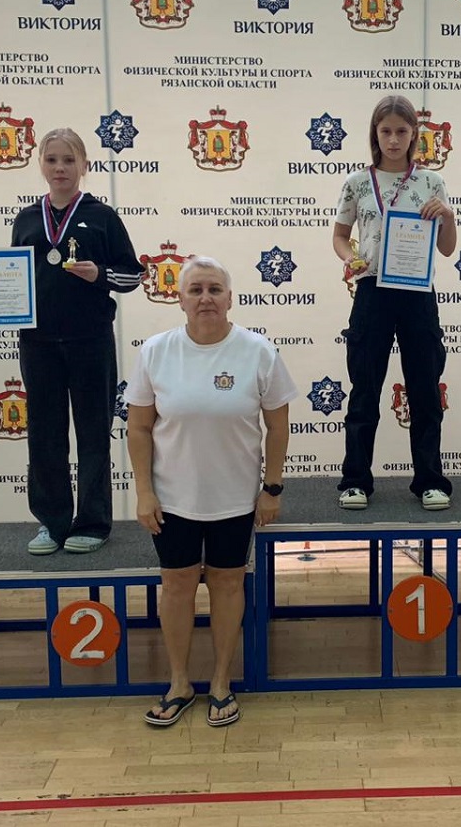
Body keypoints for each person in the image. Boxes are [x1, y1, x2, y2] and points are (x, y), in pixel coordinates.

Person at [125, 257, 298, 728]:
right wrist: (144, 493)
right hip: (172, 500)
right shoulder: (156, 352)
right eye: (196, 290)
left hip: (235, 499)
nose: (206, 298)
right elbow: (138, 428)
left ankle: (221, 682)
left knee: (227, 584)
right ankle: (179, 683)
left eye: (215, 289)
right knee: (177, 586)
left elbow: (278, 425)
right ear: (180, 299)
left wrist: (272, 488)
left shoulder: (258, 351)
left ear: (230, 298)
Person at [0, 128, 143, 555]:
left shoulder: (103, 217)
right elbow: (14, 277)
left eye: (68, 160)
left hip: (90, 340)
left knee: (93, 433)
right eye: (51, 160)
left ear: (84, 165)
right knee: (44, 435)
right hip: (38, 343)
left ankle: (93, 523)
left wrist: (99, 274)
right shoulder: (27, 219)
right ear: (40, 165)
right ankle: (52, 522)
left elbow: (133, 275)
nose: (60, 168)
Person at [332, 95, 457, 511]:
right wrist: (350, 257)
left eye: (401, 131)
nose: (393, 139)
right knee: (364, 389)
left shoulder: (431, 182)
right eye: (385, 131)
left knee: (425, 390)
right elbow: (340, 236)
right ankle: (355, 481)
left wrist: (448, 216)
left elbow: (447, 249)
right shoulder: (357, 182)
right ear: (375, 133)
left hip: (417, 293)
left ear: (413, 135)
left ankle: (430, 480)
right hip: (372, 292)